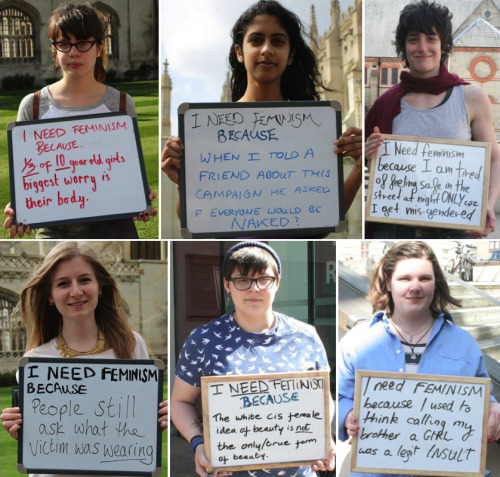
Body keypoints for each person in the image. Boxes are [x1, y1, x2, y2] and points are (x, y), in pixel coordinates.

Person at [161, 0, 362, 234]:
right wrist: (183, 183)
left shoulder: (315, 128)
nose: (267, 49)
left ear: (290, 55)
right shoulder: (207, 129)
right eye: (256, 40)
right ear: (239, 51)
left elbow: (324, 222)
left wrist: (359, 168)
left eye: (277, 41)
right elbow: (200, 219)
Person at [0, 242, 168, 474]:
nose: (76, 291)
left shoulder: (130, 344)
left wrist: (157, 416)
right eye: (63, 283)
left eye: (85, 280)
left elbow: (137, 427)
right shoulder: (35, 362)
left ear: (100, 287)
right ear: (50, 295)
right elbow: (41, 443)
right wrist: (20, 427)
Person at [170, 241, 335, 477]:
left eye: (263, 279)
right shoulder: (203, 339)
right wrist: (198, 444)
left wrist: (324, 436)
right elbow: (180, 402)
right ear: (227, 285)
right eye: (242, 280)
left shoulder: (305, 336)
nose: (254, 288)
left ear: (277, 282)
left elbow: (323, 398)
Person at [337, 241, 500, 477]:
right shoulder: (357, 341)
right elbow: (341, 396)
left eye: (424, 278)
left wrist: (493, 406)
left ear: (436, 284)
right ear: (388, 284)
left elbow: (481, 394)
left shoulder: (464, 342)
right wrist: (346, 417)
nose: (415, 287)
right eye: (405, 279)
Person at [3, 2, 156, 240]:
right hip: (54, 234)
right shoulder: (32, 106)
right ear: (54, 50)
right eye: (65, 44)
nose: (74, 52)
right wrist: (20, 207)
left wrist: (138, 194)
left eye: (83, 43)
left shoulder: (122, 104)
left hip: (114, 230)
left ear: (99, 47)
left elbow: (125, 171)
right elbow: (28, 179)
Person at [365, 0, 500, 239]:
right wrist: (366, 153)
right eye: (413, 39)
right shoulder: (384, 104)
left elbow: (494, 159)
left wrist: (488, 205)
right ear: (403, 46)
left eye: (431, 38)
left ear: (445, 44)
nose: (422, 47)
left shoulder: (472, 97)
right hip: (394, 225)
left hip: (455, 225)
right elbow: (369, 167)